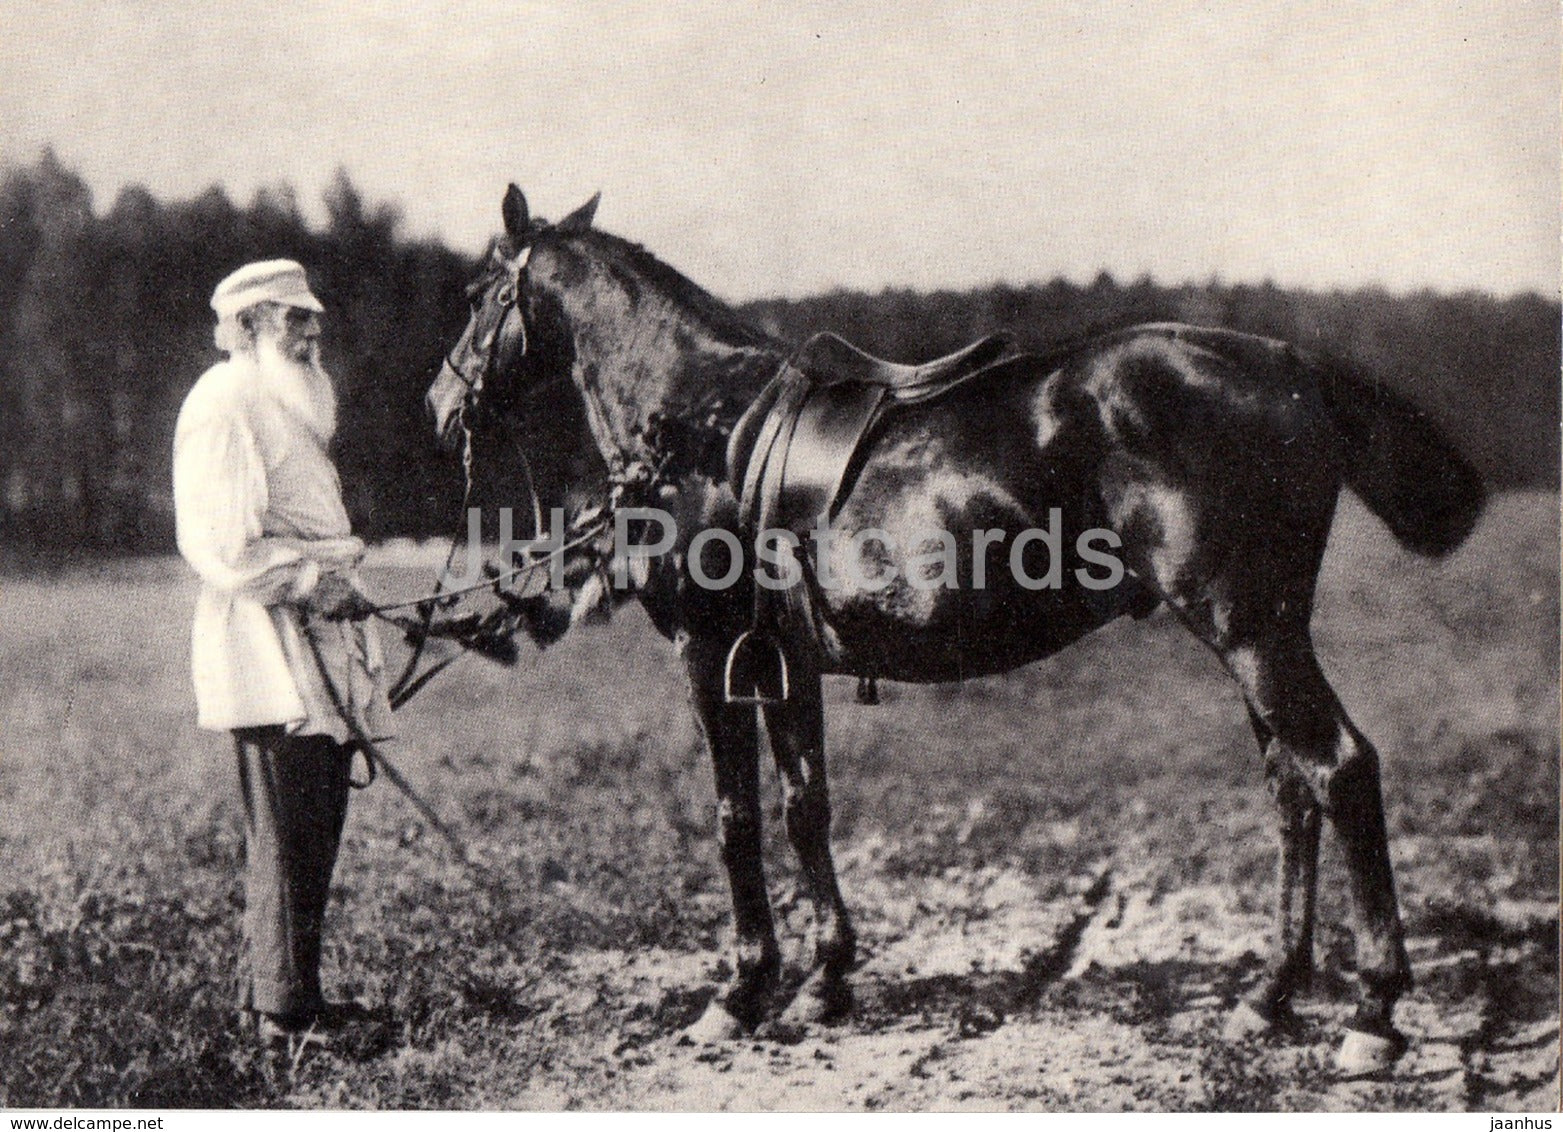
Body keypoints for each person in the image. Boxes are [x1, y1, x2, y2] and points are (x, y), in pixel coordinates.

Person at [172, 259, 393, 1053]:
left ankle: (281, 998)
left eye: (312, 318)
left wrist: (331, 581)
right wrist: (308, 579)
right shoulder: (223, 403)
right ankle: (283, 1016)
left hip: (315, 633)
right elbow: (220, 543)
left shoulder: (283, 401)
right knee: (288, 826)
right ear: (252, 326)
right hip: (267, 641)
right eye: (295, 320)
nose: (313, 331)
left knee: (313, 820)